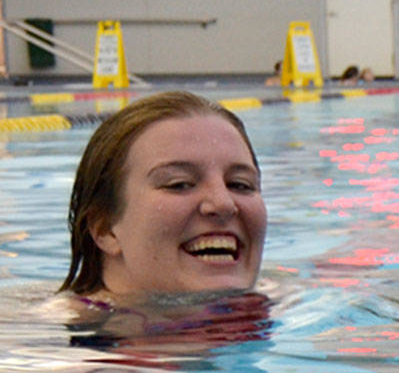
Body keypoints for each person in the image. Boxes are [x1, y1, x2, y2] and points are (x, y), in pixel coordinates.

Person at [60, 90, 267, 307]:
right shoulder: (49, 335)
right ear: (106, 229)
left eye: (240, 185)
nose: (223, 203)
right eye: (179, 184)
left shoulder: (292, 305)